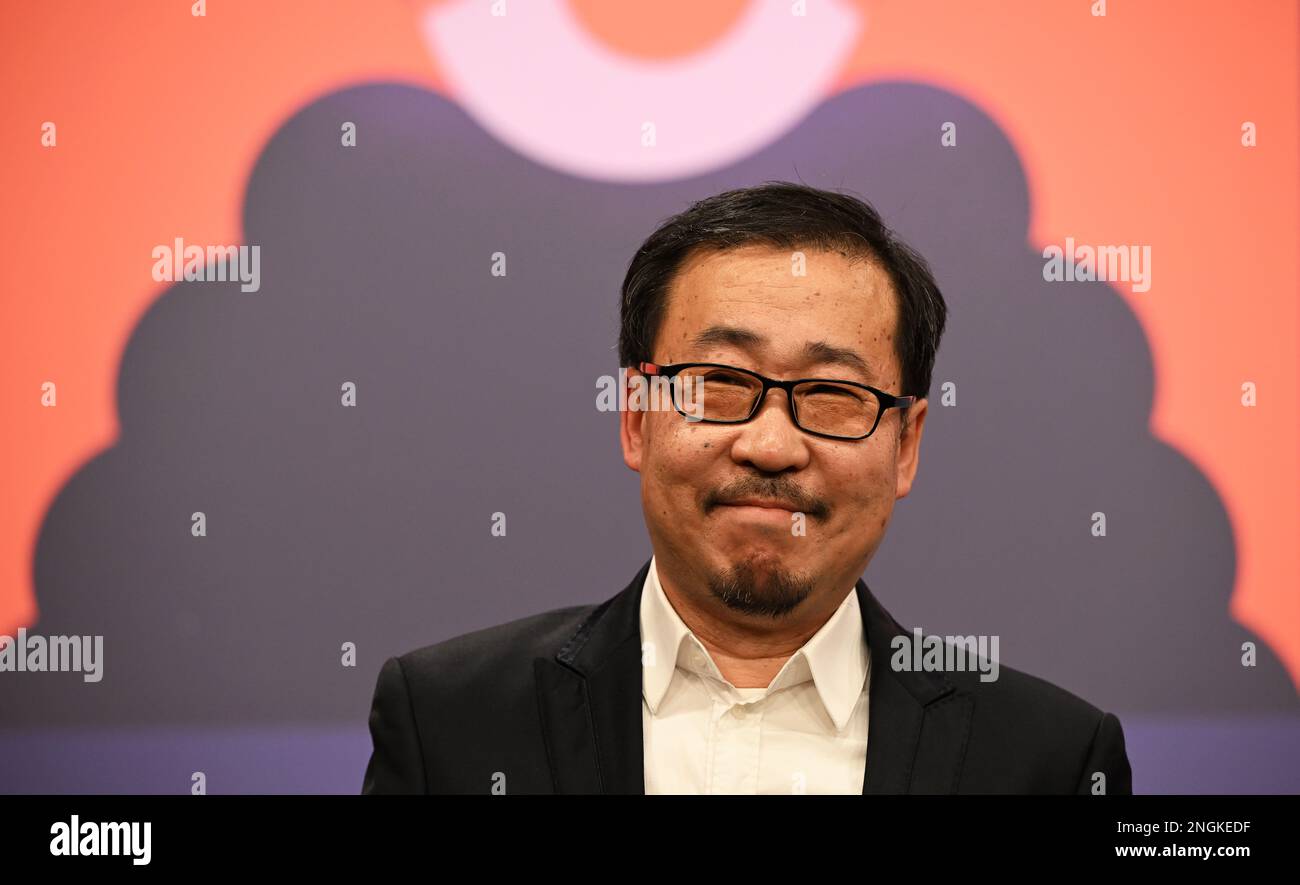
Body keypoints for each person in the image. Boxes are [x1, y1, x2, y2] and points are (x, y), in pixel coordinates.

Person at [361, 182, 1133, 794]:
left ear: (907, 444)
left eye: (832, 394)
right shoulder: (451, 721)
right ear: (636, 416)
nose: (770, 444)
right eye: (719, 383)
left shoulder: (1049, 760)